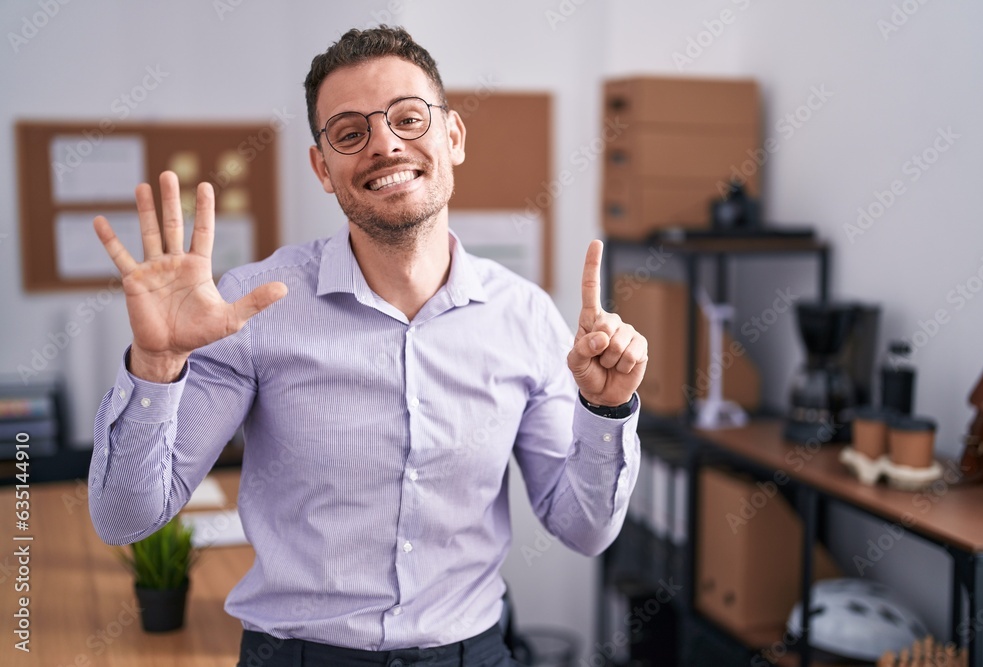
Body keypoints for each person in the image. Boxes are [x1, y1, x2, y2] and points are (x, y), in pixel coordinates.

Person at [89, 25, 647, 667]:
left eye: (409, 118)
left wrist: (605, 413)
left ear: (454, 137)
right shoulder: (253, 307)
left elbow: (583, 530)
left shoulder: (525, 316)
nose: (385, 144)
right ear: (323, 168)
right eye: (350, 133)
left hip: (473, 652)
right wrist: (157, 366)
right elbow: (124, 518)